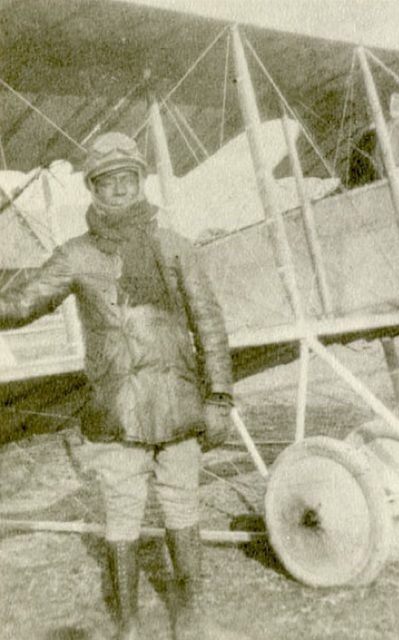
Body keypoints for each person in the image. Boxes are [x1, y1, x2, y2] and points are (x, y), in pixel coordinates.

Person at [0, 132, 236, 640]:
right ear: (93, 190)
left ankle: (190, 616)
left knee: (182, 507)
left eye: (127, 179)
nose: (119, 189)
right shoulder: (75, 255)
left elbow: (210, 325)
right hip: (116, 416)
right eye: (107, 182)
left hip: (178, 409)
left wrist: (218, 397)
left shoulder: (176, 248)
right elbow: (20, 305)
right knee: (122, 517)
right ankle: (126, 624)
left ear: (140, 181)